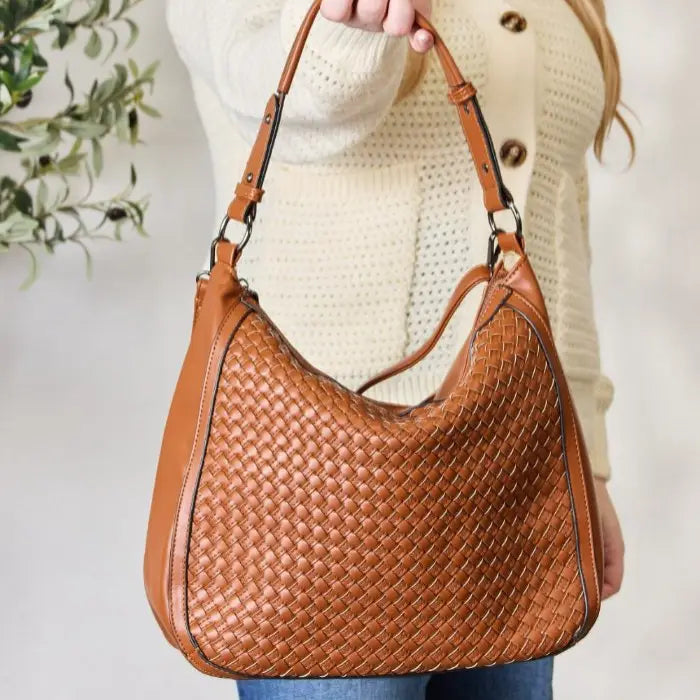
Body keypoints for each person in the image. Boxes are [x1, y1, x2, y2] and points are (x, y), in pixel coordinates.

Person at [165, 1, 630, 697]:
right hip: (324, 494)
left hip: (511, 483)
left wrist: (585, 458)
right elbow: (289, 104)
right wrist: (347, 29)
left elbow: (557, 223)